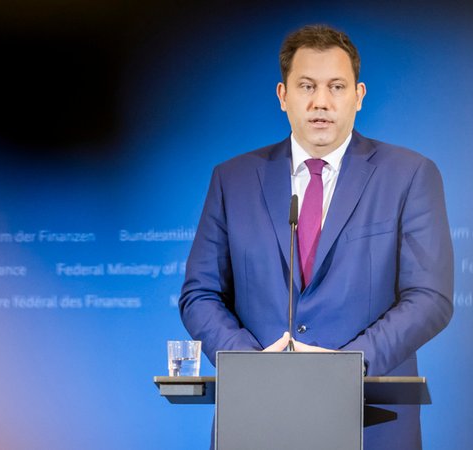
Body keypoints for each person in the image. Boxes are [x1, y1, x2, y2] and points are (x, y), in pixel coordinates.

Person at [179, 24, 454, 449]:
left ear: (359, 96)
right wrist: (250, 364)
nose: (321, 102)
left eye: (336, 87)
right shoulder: (231, 180)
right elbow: (199, 294)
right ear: (283, 96)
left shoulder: (410, 175)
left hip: (371, 423)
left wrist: (348, 365)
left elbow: (429, 297)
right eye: (306, 86)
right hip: (258, 419)